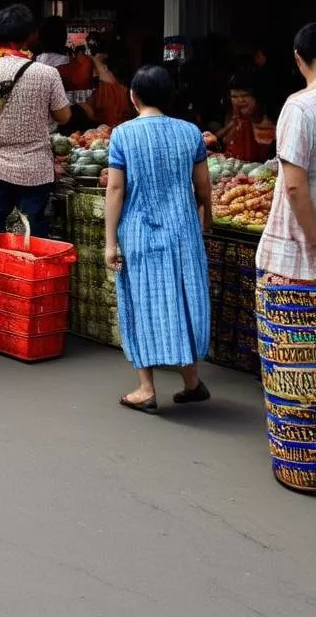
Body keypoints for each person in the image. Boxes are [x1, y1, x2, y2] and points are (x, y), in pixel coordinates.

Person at [104, 65, 213, 413]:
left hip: (140, 232)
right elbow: (203, 187)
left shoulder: (123, 135)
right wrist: (204, 221)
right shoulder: (191, 133)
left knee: (142, 304)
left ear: (133, 97)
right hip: (183, 232)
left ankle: (146, 388)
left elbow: (116, 189)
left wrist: (109, 242)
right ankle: (192, 382)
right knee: (180, 301)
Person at [255, 24, 316, 491]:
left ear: (299, 57)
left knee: (294, 371)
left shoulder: (300, 107)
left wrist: (313, 241)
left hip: (296, 261)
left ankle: (301, 464)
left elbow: (294, 184)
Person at [0, 4, 71, 238]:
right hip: (35, 170)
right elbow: (64, 116)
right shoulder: (47, 73)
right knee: (32, 236)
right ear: (31, 36)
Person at [217, 69, 276, 162]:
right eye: (234, 97)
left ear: (255, 97)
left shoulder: (263, 114)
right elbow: (225, 140)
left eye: (245, 96)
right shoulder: (233, 113)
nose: (240, 100)